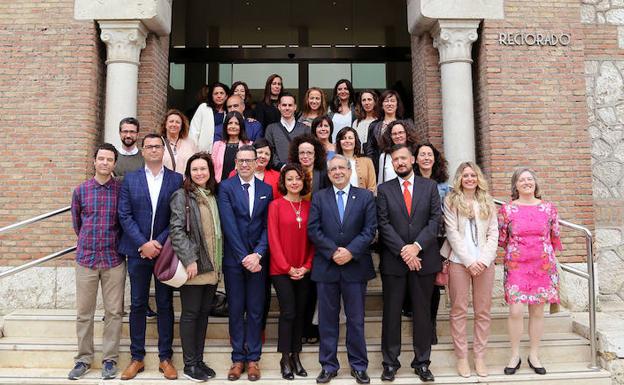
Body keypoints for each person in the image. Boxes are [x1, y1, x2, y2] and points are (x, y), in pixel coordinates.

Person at [117, 133, 183, 380]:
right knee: (137, 304)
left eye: (158, 146)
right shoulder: (130, 179)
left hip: (165, 251)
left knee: (165, 304)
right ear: (142, 151)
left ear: (163, 151)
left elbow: (178, 216)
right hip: (137, 252)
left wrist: (158, 242)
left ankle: (165, 357)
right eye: (149, 146)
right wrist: (143, 243)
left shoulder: (176, 179)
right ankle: (137, 358)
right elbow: (124, 215)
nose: (154, 150)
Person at [307, 154, 377, 385]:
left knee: (356, 320)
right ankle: (328, 365)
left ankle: (358, 366)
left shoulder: (365, 197)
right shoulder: (319, 197)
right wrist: (333, 252)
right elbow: (314, 230)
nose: (337, 172)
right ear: (328, 174)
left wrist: (350, 251)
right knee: (328, 320)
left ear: (349, 171)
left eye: (341, 168)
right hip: (327, 266)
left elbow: (370, 230)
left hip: (355, 266)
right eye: (332, 169)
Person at [376, 144, 441, 383]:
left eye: (403, 158)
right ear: (392, 164)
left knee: (422, 313)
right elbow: (383, 224)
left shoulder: (430, 187)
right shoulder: (384, 190)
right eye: (395, 160)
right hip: (395, 261)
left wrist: (416, 247)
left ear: (412, 159)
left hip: (423, 260)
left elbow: (435, 220)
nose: (400, 162)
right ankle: (390, 363)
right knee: (391, 313)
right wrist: (405, 250)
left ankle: (422, 362)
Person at [68, 143, 125, 381]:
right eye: (101, 158)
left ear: (114, 163)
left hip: (113, 259)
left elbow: (124, 223)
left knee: (114, 312)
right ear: (94, 161)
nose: (104, 163)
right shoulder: (81, 191)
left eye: (109, 160)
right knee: (84, 312)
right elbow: (76, 224)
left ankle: (109, 359)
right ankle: (83, 359)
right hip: (86, 259)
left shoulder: (121, 190)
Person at [499, 167, 562, 376]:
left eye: (530, 179)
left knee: (537, 311)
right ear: (515, 185)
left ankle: (534, 354)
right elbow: (502, 238)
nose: (527, 182)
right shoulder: (507, 210)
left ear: (535, 183)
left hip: (542, 264)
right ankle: (514, 354)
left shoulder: (549, 208)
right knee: (515, 310)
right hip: (517, 265)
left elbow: (554, 237)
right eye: (522, 180)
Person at [218, 145, 273, 381]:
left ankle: (253, 359)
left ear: (256, 162)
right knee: (236, 308)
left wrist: (258, 254)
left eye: (249, 160)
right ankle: (237, 358)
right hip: (234, 260)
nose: (244, 164)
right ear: (236, 163)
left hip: (259, 261)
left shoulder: (266, 189)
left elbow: (267, 226)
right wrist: (244, 256)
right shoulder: (226, 187)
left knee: (256, 309)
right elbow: (228, 225)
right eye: (240, 160)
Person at [441, 162, 498, 378]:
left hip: (485, 263)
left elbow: (494, 233)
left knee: (483, 311)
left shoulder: (487, 201)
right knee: (459, 310)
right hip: (459, 261)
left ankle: (480, 357)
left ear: (478, 178)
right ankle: (462, 357)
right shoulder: (451, 200)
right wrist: (468, 261)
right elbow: (452, 233)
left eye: (473, 175)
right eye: (465, 175)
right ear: (459, 179)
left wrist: (483, 260)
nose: (469, 179)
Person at [169, 152, 222, 382]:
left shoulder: (212, 195)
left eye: (203, 169)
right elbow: (177, 230)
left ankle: (198, 360)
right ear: (189, 173)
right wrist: (189, 259)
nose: (199, 173)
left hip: (212, 266)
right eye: (195, 170)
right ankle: (190, 364)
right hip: (193, 266)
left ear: (210, 171)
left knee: (202, 314)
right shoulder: (182, 196)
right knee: (190, 314)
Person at [268, 164, 314, 380]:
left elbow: (314, 240)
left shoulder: (309, 206)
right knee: (288, 312)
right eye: (290, 179)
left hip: (304, 268)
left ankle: (296, 355)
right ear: (283, 182)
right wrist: (287, 267)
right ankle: (284, 357)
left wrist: (306, 266)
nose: (294, 182)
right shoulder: (275, 206)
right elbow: (273, 240)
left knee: (301, 312)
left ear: (303, 182)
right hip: (280, 269)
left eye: (298, 178)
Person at [412, 142, 450, 342]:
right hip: (415, 240)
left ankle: (430, 325)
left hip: (437, 240)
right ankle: (419, 322)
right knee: (417, 284)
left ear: (435, 159)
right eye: (422, 154)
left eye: (429, 154)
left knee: (434, 286)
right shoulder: (411, 181)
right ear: (415, 159)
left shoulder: (444, 185)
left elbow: (447, 215)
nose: (426, 158)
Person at [265, 92, 310, 169]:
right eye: (284, 105)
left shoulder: (305, 129)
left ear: (295, 107)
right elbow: (269, 151)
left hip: (300, 171)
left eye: (290, 105)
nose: (287, 108)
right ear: (279, 107)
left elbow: (308, 151)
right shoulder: (271, 129)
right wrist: (281, 166)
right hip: (277, 172)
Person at [365, 90, 404, 174]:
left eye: (392, 101)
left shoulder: (405, 124)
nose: (389, 104)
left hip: (401, 164)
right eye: (386, 101)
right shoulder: (374, 126)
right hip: (379, 167)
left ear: (397, 104)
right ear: (382, 105)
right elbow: (370, 150)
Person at [189, 82, 230, 152]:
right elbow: (194, 131)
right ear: (212, 96)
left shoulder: (229, 111)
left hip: (222, 152)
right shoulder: (204, 108)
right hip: (203, 152)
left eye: (221, 93)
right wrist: (194, 151)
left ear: (226, 96)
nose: (219, 96)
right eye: (216, 93)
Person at [212, 111, 252, 183]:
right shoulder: (217, 145)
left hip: (240, 187)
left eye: (236, 124)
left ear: (241, 127)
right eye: (230, 123)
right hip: (218, 186)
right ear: (225, 126)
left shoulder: (249, 145)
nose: (233, 126)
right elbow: (212, 168)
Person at [288, 134, 330, 201]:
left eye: (309, 153)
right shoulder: (290, 172)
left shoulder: (324, 173)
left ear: (315, 155)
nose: (305, 156)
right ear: (297, 154)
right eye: (302, 153)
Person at [335, 127, 376, 194]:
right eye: (344, 138)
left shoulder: (367, 162)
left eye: (350, 138)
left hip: (363, 202)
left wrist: (365, 201)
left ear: (355, 141)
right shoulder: (334, 162)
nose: (347, 141)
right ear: (339, 142)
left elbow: (372, 187)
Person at [160, 109, 198, 175]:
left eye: (177, 122)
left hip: (186, 183)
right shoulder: (159, 142)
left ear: (181, 126)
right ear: (165, 124)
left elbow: (197, 163)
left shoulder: (190, 143)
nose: (174, 124)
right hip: (165, 183)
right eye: (171, 121)